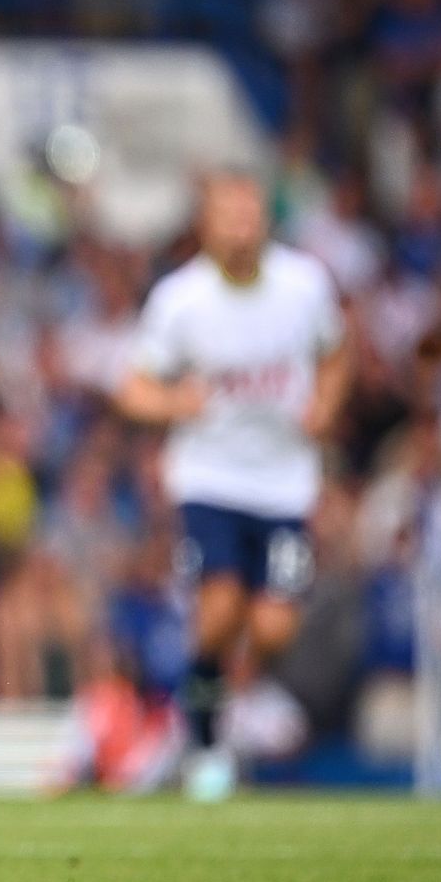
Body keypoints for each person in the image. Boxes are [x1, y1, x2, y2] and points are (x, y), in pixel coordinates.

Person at [116, 170, 350, 800]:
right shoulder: (180, 300)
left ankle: (218, 701)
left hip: (284, 482)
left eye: (250, 212)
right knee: (219, 609)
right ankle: (202, 735)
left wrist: (325, 404)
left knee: (274, 627)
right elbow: (135, 389)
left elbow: (336, 353)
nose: (242, 225)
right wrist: (175, 401)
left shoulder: (304, 286)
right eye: (229, 214)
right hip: (210, 477)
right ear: (207, 225)